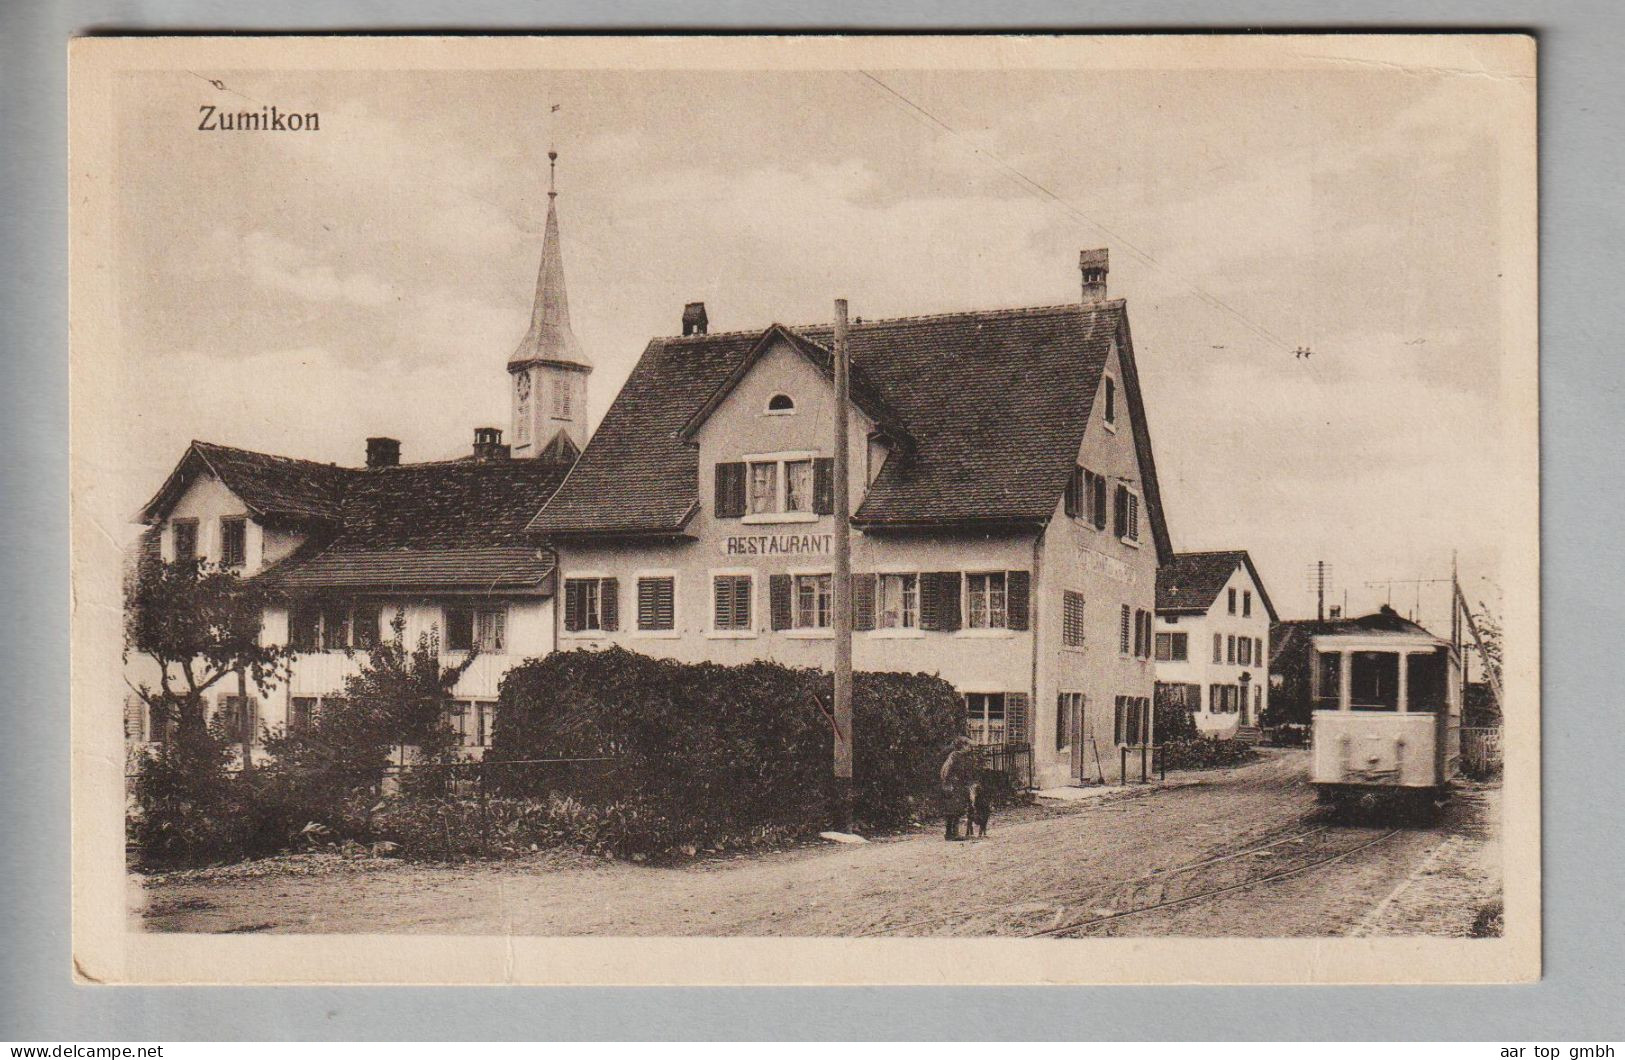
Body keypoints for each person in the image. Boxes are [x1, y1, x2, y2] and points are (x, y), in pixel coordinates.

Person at [940, 736, 980, 841]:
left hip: (960, 786)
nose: (970, 748)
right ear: (962, 746)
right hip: (953, 786)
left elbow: (967, 773)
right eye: (968, 745)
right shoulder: (954, 756)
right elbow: (945, 770)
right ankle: (950, 833)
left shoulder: (964, 757)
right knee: (952, 809)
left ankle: (954, 833)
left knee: (958, 809)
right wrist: (947, 783)